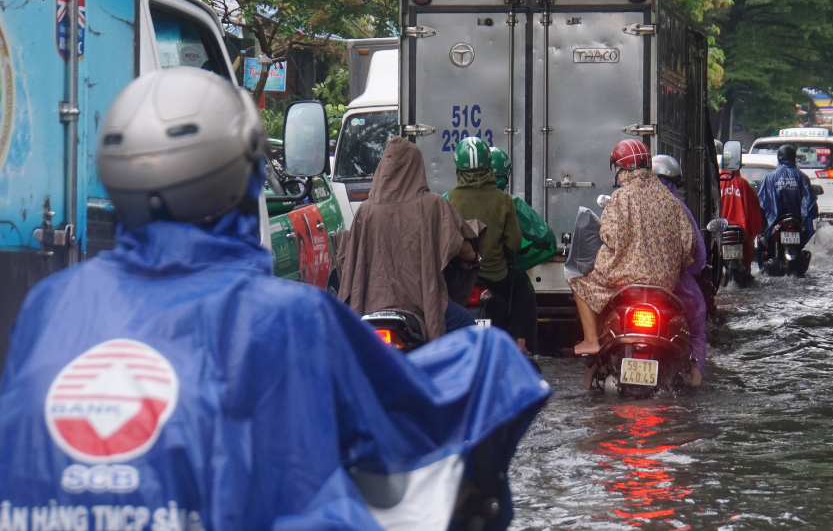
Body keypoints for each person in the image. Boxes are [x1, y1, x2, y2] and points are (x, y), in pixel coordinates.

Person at [0, 68, 550, 528]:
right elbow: (413, 420)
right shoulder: (291, 319)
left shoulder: (50, 305)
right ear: (246, 175)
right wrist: (493, 359)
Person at [338, 136, 479, 340]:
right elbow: (460, 246)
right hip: (421, 303)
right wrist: (471, 256)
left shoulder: (365, 211)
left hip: (371, 305)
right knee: (465, 322)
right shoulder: (433, 205)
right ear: (416, 168)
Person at [568, 139, 695, 356]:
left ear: (622, 168)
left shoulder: (621, 198)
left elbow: (610, 236)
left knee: (578, 280)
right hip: (665, 283)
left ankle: (591, 340)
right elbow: (688, 245)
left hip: (626, 279)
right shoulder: (671, 200)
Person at [446, 137, 537, 354]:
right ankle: (522, 344)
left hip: (459, 281)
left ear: (458, 168)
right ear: (489, 167)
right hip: (497, 278)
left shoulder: (448, 200)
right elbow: (514, 243)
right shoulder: (503, 200)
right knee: (524, 290)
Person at [652, 154, 709, 386]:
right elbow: (699, 257)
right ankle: (695, 381)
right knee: (696, 328)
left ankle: (588, 378)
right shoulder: (679, 208)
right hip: (676, 286)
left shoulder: (625, 202)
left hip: (629, 283)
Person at [490, 146, 557, 273]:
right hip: (499, 277)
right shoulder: (509, 202)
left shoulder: (448, 199)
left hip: (459, 278)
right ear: (505, 176)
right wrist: (513, 265)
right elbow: (547, 240)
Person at [756, 144, 819, 256]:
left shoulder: (770, 177)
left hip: (776, 221)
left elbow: (762, 202)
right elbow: (809, 200)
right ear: (793, 159)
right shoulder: (801, 176)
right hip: (796, 220)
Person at [719, 146, 764, 278]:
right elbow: (754, 209)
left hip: (721, 229)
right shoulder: (743, 184)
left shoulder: (716, 183)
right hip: (741, 231)